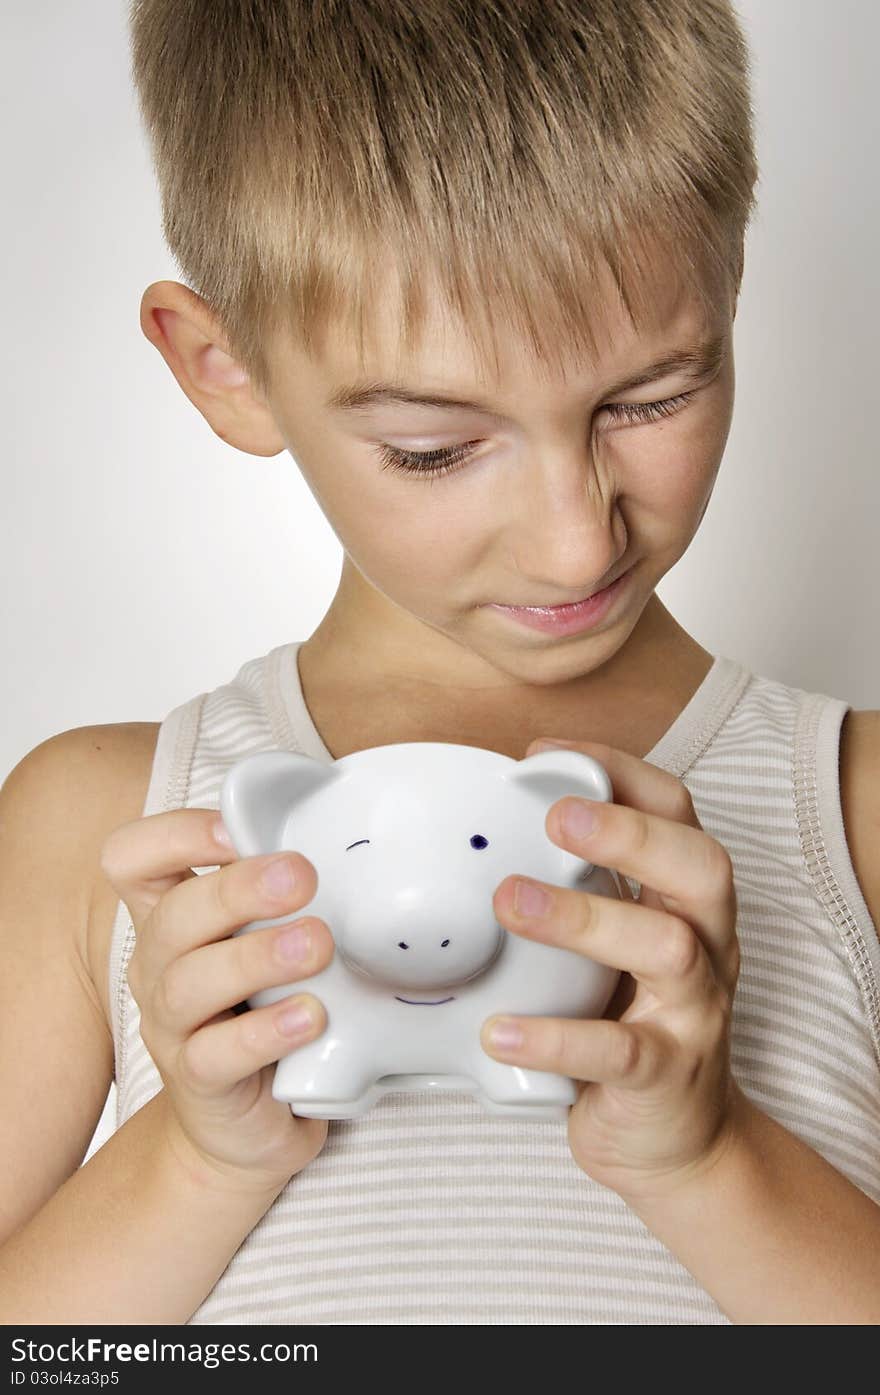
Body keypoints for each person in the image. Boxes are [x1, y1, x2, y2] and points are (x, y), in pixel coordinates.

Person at [1, 0, 878, 1326]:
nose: (578, 537)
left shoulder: (855, 813)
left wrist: (709, 1161)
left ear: (730, 275)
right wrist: (194, 1158)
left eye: (650, 397)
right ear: (223, 367)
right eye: (434, 445)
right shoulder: (105, 827)